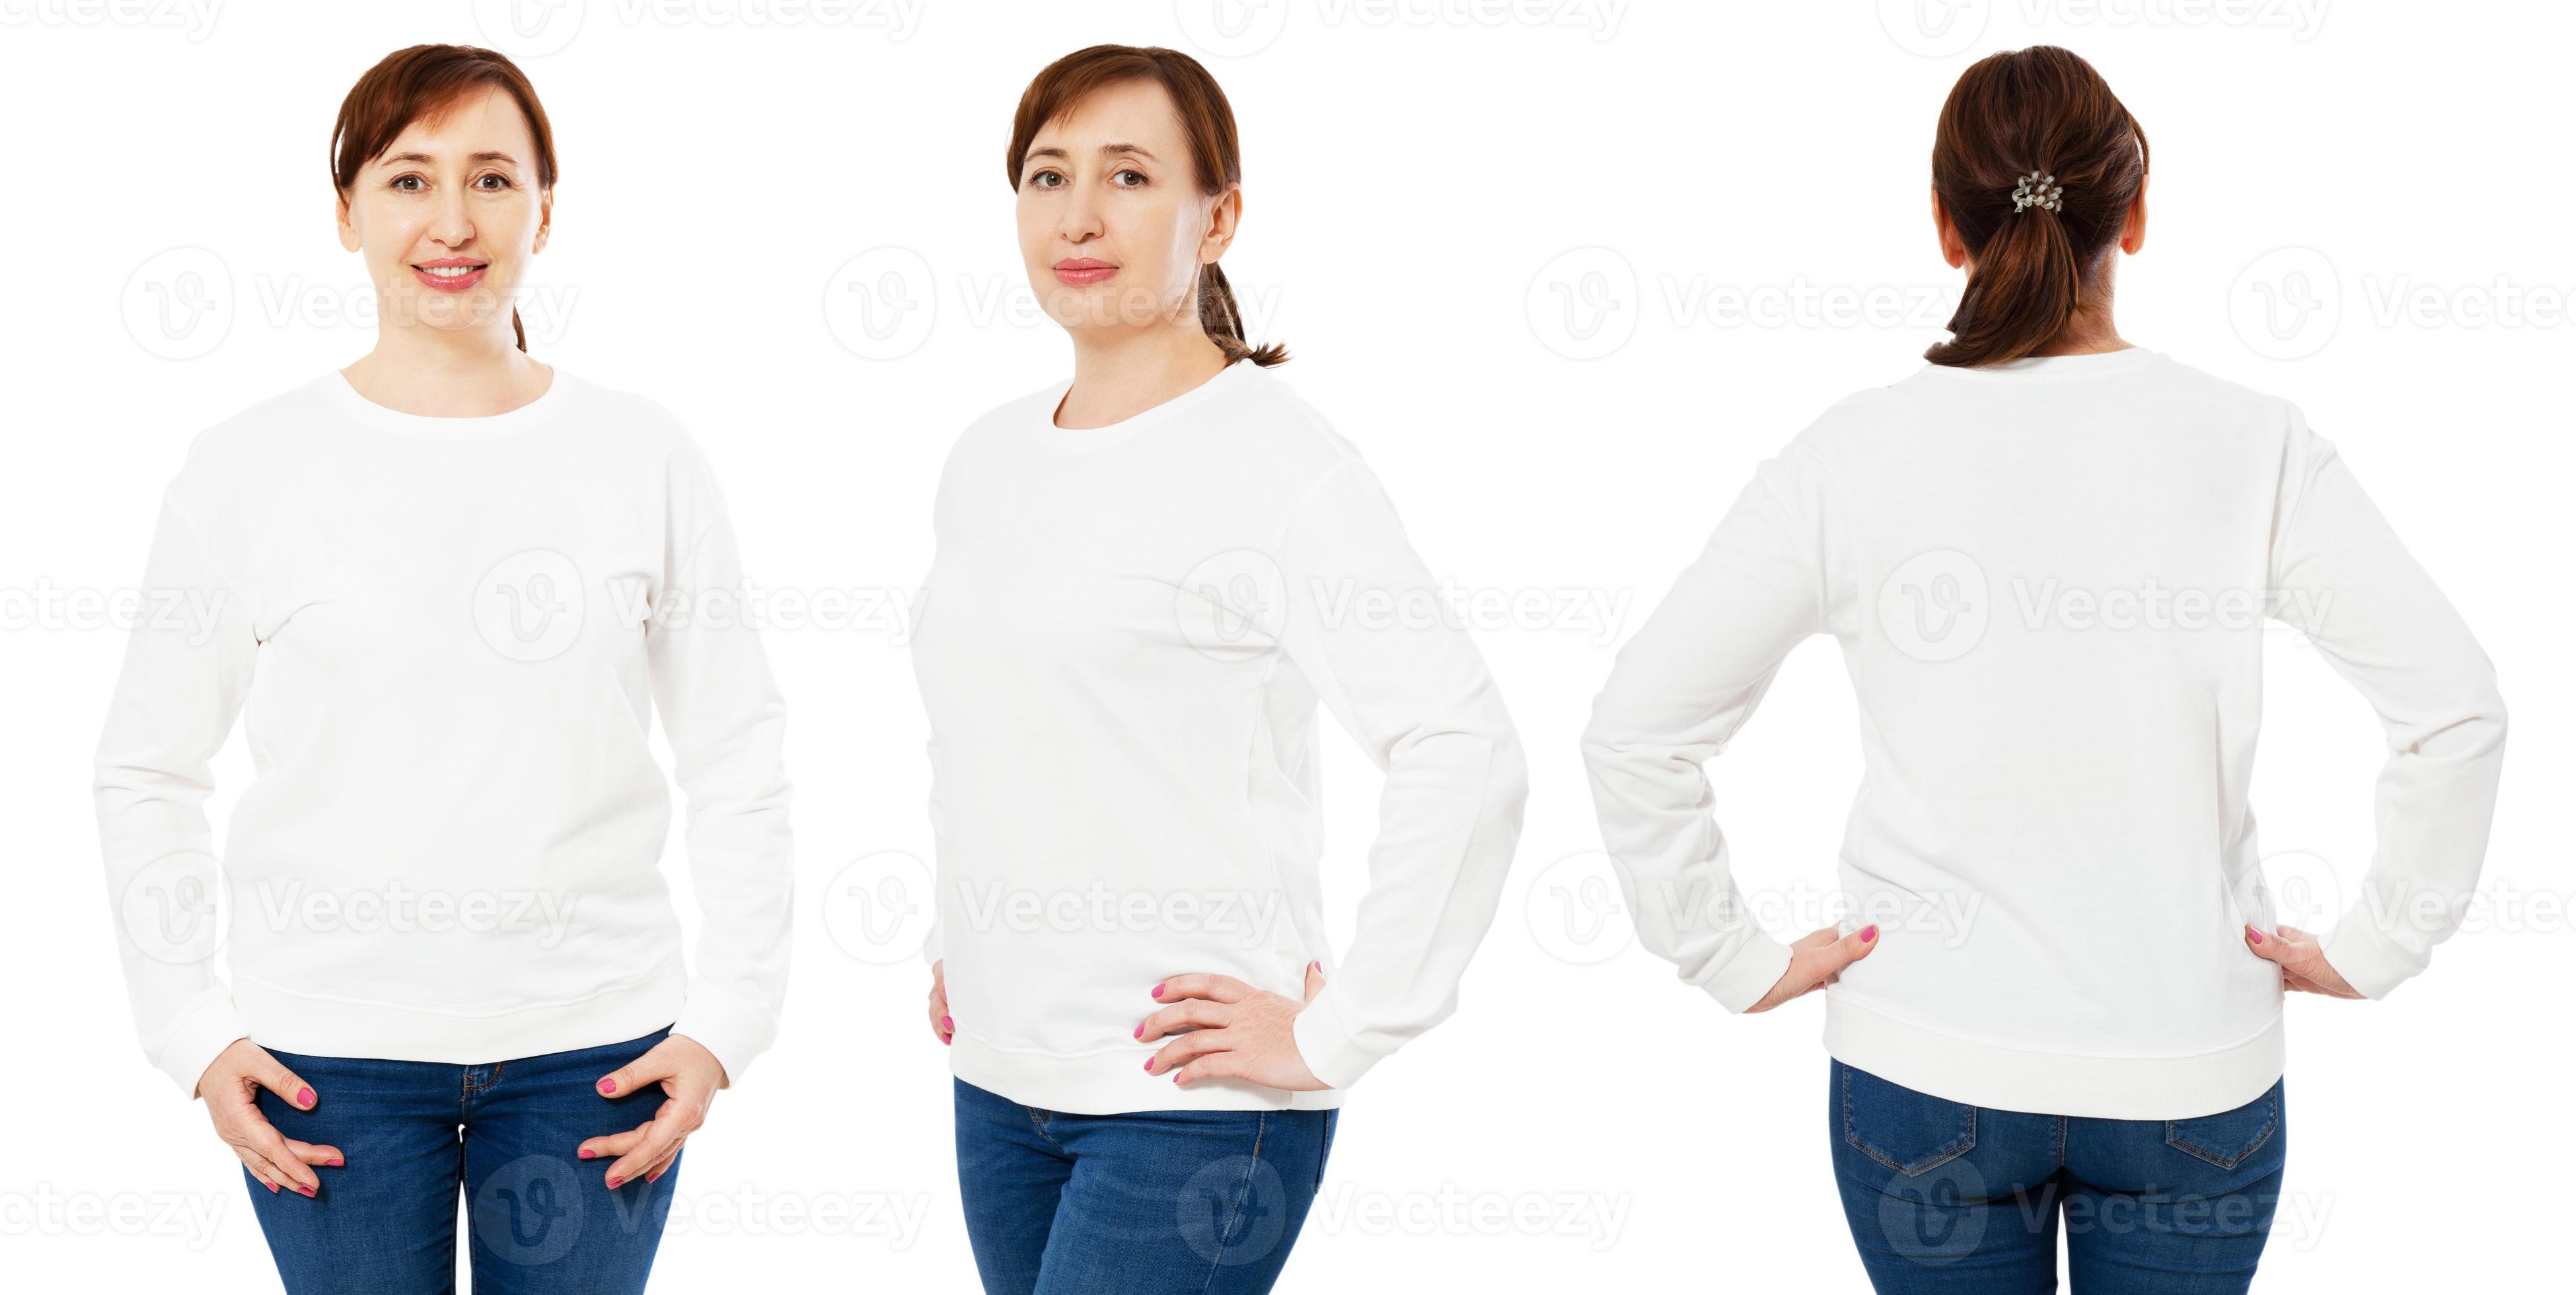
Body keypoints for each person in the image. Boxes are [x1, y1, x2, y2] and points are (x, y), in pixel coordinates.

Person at [1579, 44, 2506, 1294]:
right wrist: (2383, 941)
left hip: (1925, 1079)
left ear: (1944, 228)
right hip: (2194, 1075)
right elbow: (2454, 709)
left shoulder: (1846, 455)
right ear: (2134, 215)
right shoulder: (2251, 444)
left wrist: (1725, 957)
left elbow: (1638, 727)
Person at [92, 44, 795, 1293]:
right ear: (348, 210)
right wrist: (190, 1032)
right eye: (410, 181)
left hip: (597, 1053)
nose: (453, 223)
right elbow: (147, 765)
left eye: (492, 179)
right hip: (328, 1062)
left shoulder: (643, 455)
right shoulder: (246, 469)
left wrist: (728, 1025)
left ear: (545, 207)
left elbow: (737, 753)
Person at [909, 44, 1528, 1294]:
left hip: (1190, 1105)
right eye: (1046, 175)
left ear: (1219, 215)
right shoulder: (987, 456)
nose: (1078, 216)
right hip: (1002, 1085)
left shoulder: (1282, 466)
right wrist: (962, 936)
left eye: (1129, 176)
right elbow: (1001, 723)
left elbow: (1464, 751)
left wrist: (1342, 1028)